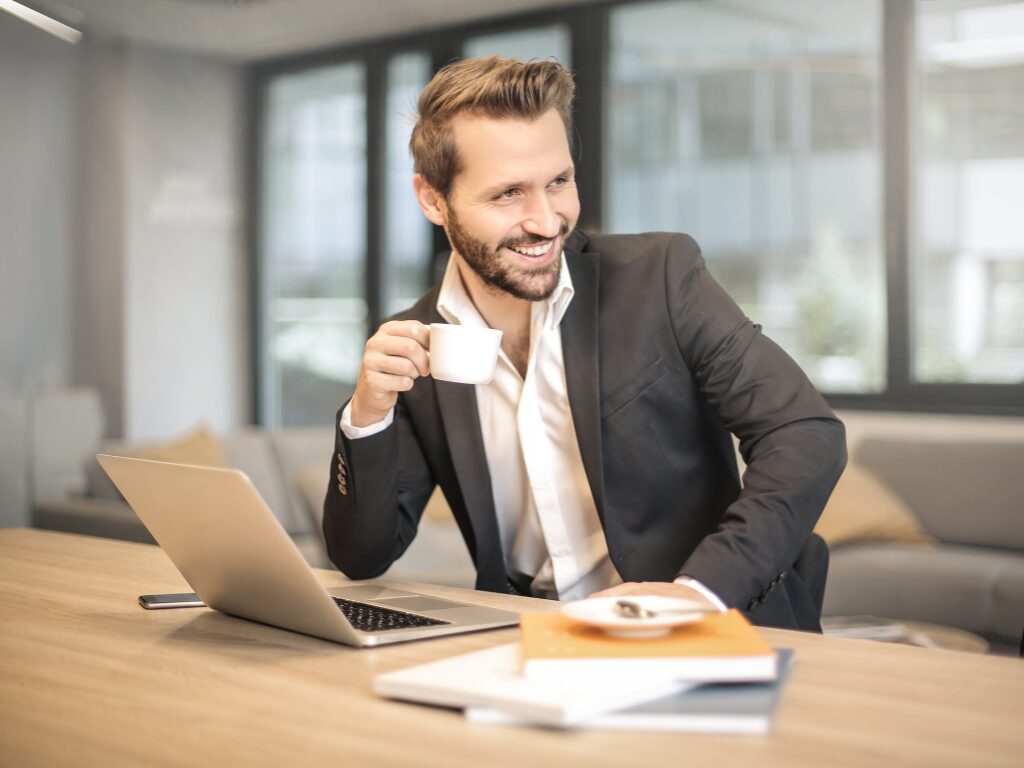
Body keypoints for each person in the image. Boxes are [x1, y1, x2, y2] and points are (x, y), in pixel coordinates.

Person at [323, 56, 847, 631]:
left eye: (559, 182)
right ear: (433, 200)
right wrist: (368, 415)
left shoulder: (660, 277)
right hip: (529, 635)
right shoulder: (418, 342)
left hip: (700, 628)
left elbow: (803, 433)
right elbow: (362, 556)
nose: (547, 220)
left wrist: (699, 591)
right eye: (508, 195)